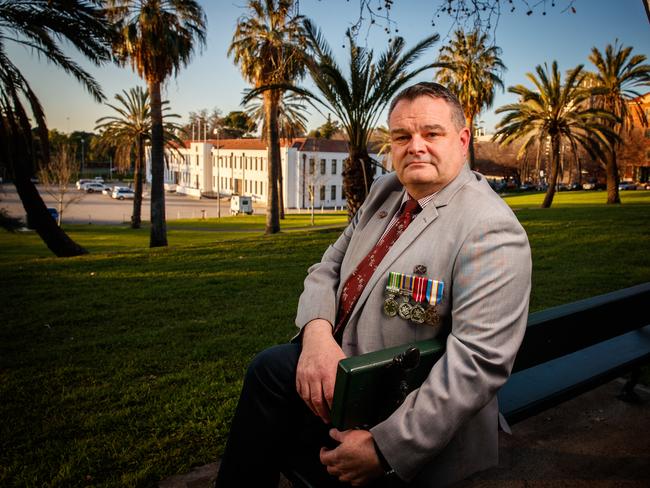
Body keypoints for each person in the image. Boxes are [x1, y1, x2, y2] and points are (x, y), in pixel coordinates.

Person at [216, 82, 532, 487]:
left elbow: (477, 362)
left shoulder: (489, 229)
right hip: (341, 381)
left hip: (397, 416)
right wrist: (316, 337)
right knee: (268, 375)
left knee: (268, 409)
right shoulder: (386, 190)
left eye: (432, 133)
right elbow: (327, 267)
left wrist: (384, 449)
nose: (415, 146)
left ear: (463, 139)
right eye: (402, 136)